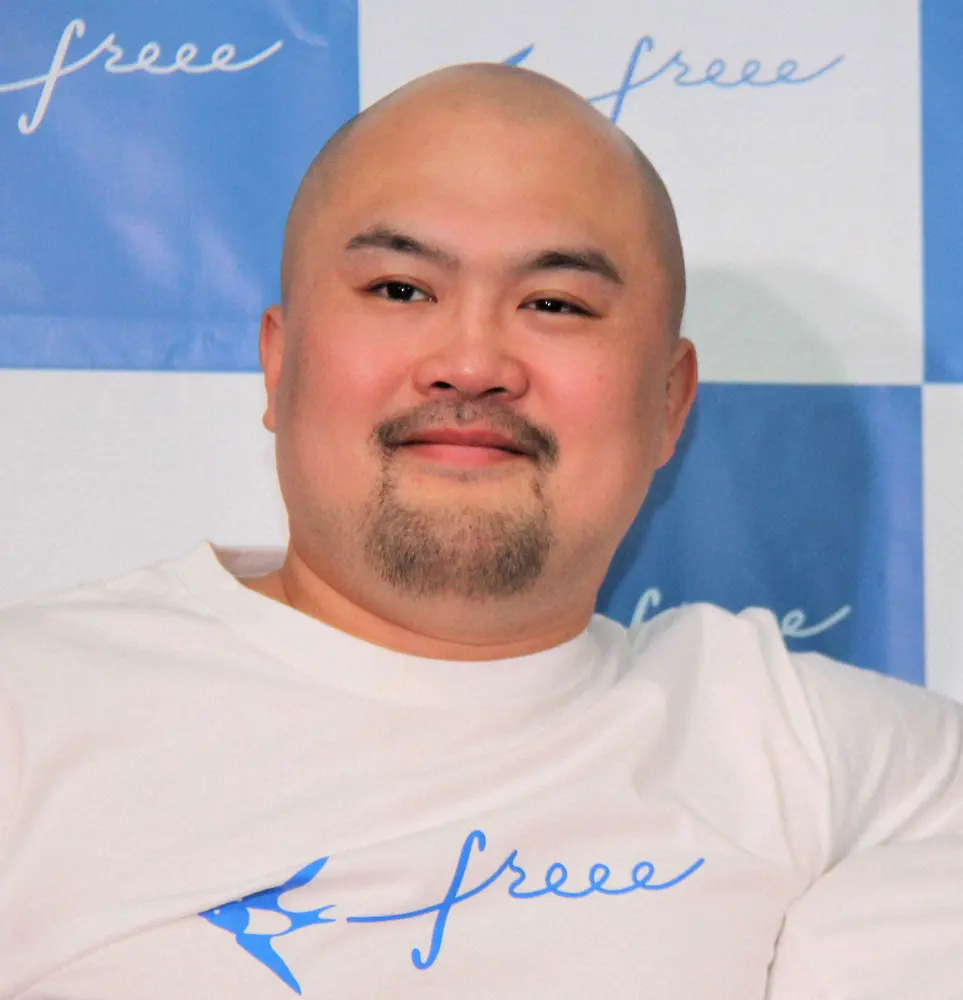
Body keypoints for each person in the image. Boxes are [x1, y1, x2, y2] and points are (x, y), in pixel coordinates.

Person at [0, 62, 960, 1000]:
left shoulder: (817, 756)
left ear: (669, 403)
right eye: (400, 290)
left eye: (554, 304)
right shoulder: (32, 712)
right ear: (279, 366)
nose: (469, 363)